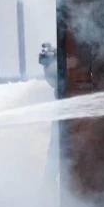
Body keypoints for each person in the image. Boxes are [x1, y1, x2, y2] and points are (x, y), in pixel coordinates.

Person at [38, 42, 60, 185]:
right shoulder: (53, 67)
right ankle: (49, 181)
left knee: (57, 146)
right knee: (56, 146)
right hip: (63, 110)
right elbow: (54, 81)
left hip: (64, 109)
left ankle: (49, 180)